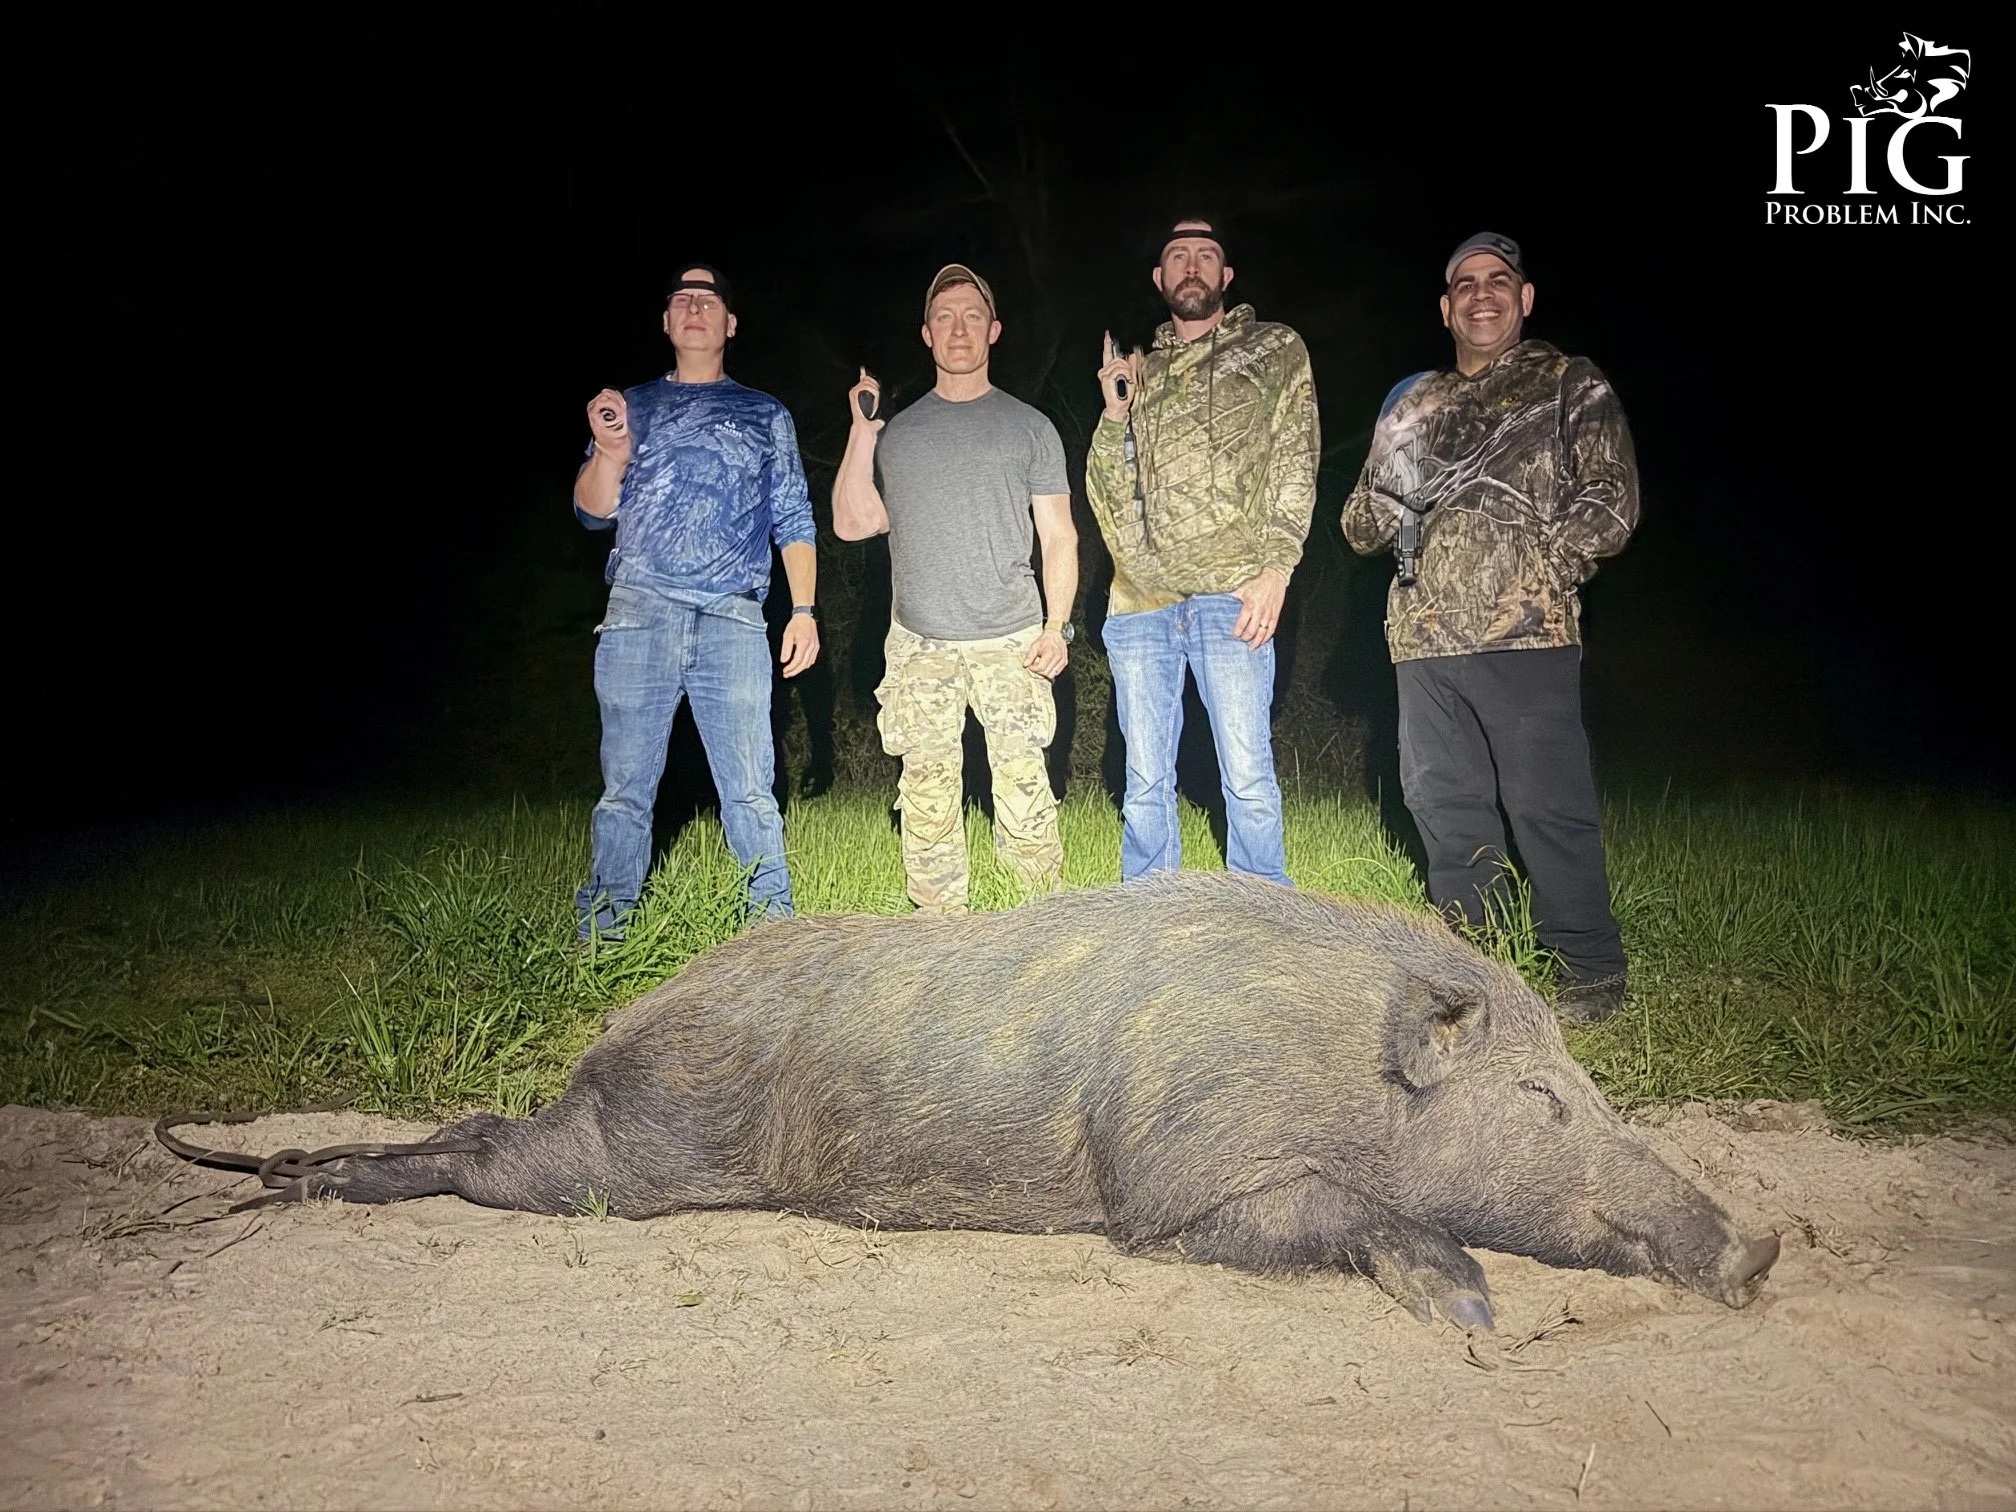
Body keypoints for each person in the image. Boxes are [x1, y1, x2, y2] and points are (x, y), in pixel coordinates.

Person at [1342, 232, 1640, 1024]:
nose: (1482, 294)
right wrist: (1391, 484)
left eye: (1498, 281)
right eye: (1465, 284)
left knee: (1548, 807)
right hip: (1423, 641)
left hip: (1526, 636)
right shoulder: (1415, 402)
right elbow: (1361, 527)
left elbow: (1612, 500)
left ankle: (1589, 972)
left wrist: (1542, 566)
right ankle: (1474, 972)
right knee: (1447, 809)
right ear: (1445, 307)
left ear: (1524, 297)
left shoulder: (1568, 382)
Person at [573, 264, 819, 939]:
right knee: (625, 792)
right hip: (638, 610)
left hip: (733, 617)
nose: (693, 306)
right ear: (665, 321)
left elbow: (794, 517)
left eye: (708, 299)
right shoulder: (630, 404)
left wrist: (803, 611)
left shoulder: (765, 413)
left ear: (729, 324)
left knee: (749, 790)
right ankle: (602, 936)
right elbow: (592, 512)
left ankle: (774, 938)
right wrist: (612, 447)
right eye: (680, 297)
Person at [833, 265, 1077, 915]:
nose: (958, 327)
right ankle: (940, 941)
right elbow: (853, 522)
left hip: (1013, 640)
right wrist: (863, 435)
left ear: (994, 331)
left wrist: (1058, 628)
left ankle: (1040, 934)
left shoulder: (1030, 428)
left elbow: (1059, 537)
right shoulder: (901, 434)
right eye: (944, 316)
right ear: (926, 333)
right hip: (921, 646)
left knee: (1026, 795)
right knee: (928, 799)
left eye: (972, 315)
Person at [1085, 217, 1319, 886]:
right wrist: (1113, 413)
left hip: (1234, 596)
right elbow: (1107, 490)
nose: (1192, 265)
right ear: (1160, 279)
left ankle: (1264, 920)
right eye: (1178, 256)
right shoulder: (1139, 371)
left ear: (1226, 276)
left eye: (1206, 255)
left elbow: (1297, 461)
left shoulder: (1274, 348)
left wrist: (1277, 570)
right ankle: (1154, 924)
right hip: (1141, 606)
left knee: (1246, 776)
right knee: (1145, 781)